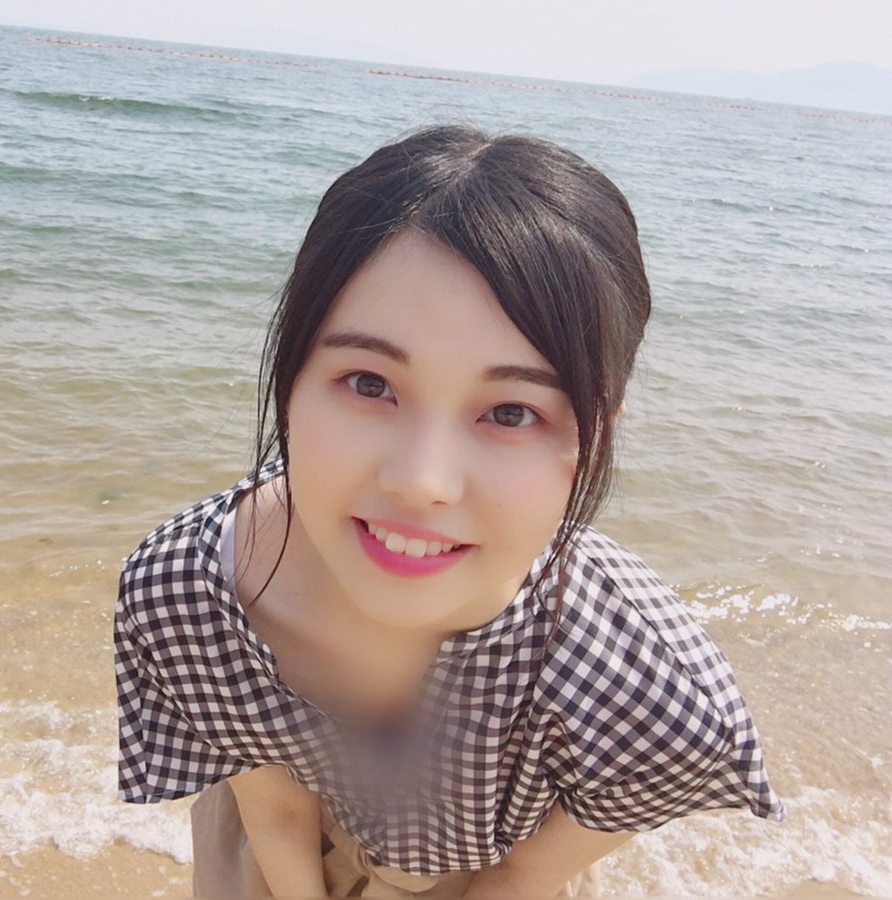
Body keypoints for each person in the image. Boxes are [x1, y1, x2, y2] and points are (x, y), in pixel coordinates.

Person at [114, 125, 784, 897]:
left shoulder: (646, 691)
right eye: (369, 384)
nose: (422, 483)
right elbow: (276, 816)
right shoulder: (187, 594)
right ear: (291, 375)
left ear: (597, 433)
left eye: (510, 412)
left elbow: (524, 876)